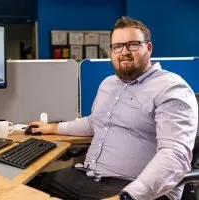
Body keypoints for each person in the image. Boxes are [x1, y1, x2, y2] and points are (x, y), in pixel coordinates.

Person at [27, 16, 198, 200]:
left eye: (132, 44)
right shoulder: (108, 85)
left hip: (137, 189)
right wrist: (52, 128)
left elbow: (175, 156)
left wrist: (127, 197)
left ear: (148, 48)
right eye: (117, 46)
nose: (124, 52)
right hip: (90, 177)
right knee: (25, 188)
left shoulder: (171, 88)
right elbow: (94, 122)